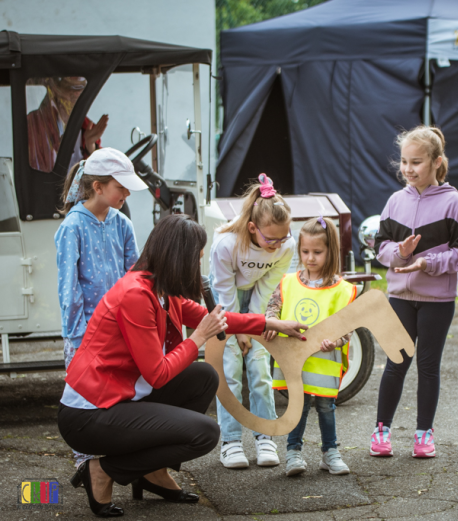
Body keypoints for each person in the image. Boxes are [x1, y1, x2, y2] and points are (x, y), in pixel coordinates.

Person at [58, 214, 308, 518]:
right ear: (180, 258)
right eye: (197, 258)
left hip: (122, 397)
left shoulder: (161, 290)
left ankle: (152, 471)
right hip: (90, 414)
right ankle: (101, 470)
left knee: (204, 377)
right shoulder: (136, 294)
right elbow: (158, 373)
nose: (199, 267)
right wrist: (199, 337)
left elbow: (218, 319)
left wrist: (271, 323)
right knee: (205, 434)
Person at [370, 126, 458, 458]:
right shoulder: (394, 201)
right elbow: (379, 248)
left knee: (428, 366)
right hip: (399, 297)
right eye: (404, 161)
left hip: (437, 301)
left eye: (416, 162)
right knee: (396, 362)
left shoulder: (453, 202)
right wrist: (400, 254)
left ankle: (423, 435)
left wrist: (426, 264)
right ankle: (381, 431)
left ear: (436, 162)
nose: (408, 169)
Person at [55, 148, 146, 469]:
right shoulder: (72, 227)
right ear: (97, 187)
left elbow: (134, 276)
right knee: (84, 397)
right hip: (85, 334)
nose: (126, 193)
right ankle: (85, 463)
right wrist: (77, 338)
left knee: (118, 392)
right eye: (120, 187)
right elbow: (69, 289)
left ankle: (115, 453)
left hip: (119, 330)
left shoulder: (122, 223)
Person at [209, 174, 295, 469]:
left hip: (254, 301)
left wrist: (255, 325)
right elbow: (223, 289)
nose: (277, 245)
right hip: (225, 301)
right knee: (230, 370)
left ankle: (265, 436)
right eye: (270, 239)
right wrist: (238, 329)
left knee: (259, 368)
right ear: (252, 227)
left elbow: (266, 287)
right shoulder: (226, 244)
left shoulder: (285, 246)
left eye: (283, 238)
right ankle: (231, 442)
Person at [265, 216, 357, 477]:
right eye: (305, 251)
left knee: (326, 408)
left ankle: (330, 452)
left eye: (317, 252)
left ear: (331, 251)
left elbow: (347, 327)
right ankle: (293, 452)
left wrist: (336, 341)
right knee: (298, 406)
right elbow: (273, 307)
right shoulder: (288, 282)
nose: (310, 258)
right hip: (294, 362)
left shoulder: (341, 289)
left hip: (323, 364)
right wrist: (271, 323)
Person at [27, 76, 108, 172]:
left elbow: (96, 176)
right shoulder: (36, 122)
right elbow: (34, 167)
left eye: (80, 88)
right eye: (69, 87)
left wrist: (90, 146)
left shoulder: (87, 128)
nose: (76, 93)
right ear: (55, 90)